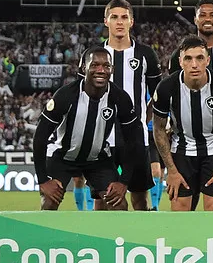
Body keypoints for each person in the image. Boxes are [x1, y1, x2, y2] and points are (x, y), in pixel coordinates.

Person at [34, 47, 145, 211]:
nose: (101, 70)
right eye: (94, 65)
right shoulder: (66, 96)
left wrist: (123, 182)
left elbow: (132, 140)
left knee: (118, 204)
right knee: (49, 202)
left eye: (106, 66)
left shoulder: (119, 98)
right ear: (83, 68)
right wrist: (43, 180)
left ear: (112, 70)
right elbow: (40, 137)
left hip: (97, 160)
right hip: (61, 157)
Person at [152, 36, 213, 211]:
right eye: (188, 58)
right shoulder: (166, 88)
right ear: (180, 61)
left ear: (208, 60)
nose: (194, 64)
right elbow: (158, 128)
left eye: (200, 58)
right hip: (181, 152)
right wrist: (172, 171)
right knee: (180, 214)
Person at [100, 0, 162, 210]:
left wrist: (143, 120)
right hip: (102, 140)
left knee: (140, 200)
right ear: (106, 21)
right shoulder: (95, 55)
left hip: (136, 141)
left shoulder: (145, 54)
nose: (119, 22)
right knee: (102, 200)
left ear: (131, 21)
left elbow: (157, 96)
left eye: (124, 17)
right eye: (114, 17)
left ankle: (142, 233)